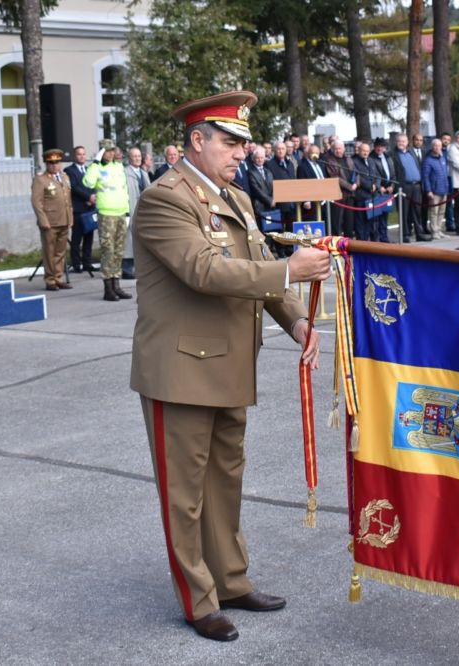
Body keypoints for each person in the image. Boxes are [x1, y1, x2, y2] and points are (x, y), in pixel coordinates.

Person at [130, 89, 330, 643]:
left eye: (244, 141)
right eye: (230, 141)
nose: (241, 151)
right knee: (185, 492)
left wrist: (295, 321)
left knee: (225, 482)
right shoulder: (165, 198)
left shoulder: (235, 198)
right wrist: (292, 272)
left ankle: (232, 580)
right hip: (181, 370)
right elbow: (204, 271)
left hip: (228, 365)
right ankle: (198, 600)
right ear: (197, 141)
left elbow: (257, 265)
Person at [83, 139, 131, 301]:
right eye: (107, 151)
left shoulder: (118, 167)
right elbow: (88, 183)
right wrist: (95, 163)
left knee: (118, 251)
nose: (111, 154)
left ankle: (116, 285)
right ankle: (108, 288)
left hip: (121, 212)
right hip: (106, 214)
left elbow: (123, 190)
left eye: (112, 151)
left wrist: (127, 212)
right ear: (101, 152)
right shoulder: (95, 168)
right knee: (108, 251)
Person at [30, 149, 73, 291]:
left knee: (60, 252)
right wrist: (43, 221)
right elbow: (37, 202)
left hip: (64, 220)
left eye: (57, 162)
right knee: (49, 251)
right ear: (47, 163)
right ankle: (50, 280)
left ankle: (58, 277)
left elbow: (68, 200)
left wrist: (70, 218)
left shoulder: (65, 177)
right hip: (50, 222)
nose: (54, 165)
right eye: (51, 163)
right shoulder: (40, 179)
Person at [65, 145, 98, 273]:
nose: (82, 156)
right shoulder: (69, 171)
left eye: (84, 154)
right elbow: (74, 187)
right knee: (76, 239)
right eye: (79, 154)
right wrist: (88, 196)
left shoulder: (89, 169)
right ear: (75, 156)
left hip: (89, 208)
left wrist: (93, 197)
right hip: (78, 209)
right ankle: (76, 263)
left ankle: (87, 263)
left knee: (89, 238)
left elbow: (93, 183)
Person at [123, 147, 151, 280]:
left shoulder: (144, 173)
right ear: (129, 158)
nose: (137, 158)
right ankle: (127, 269)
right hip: (130, 210)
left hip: (143, 212)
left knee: (141, 239)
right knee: (128, 241)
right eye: (134, 156)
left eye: (139, 156)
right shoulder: (125, 173)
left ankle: (140, 267)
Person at [322, 140, 356, 237]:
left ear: (344, 149)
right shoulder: (329, 160)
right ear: (332, 150)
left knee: (349, 222)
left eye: (340, 148)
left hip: (350, 195)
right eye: (335, 149)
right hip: (338, 196)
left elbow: (355, 172)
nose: (338, 150)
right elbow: (335, 177)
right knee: (337, 222)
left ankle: (349, 244)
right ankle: (337, 245)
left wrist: (356, 184)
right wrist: (350, 187)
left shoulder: (349, 159)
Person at [421, 138, 449, 240]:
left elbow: (445, 173)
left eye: (439, 145)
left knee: (442, 212)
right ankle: (434, 232)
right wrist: (428, 190)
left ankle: (439, 230)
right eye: (435, 145)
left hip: (443, 190)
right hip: (434, 191)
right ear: (432, 147)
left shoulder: (442, 158)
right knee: (434, 212)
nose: (437, 147)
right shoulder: (428, 160)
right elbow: (425, 177)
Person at [351, 141, 379, 241]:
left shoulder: (371, 161)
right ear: (359, 150)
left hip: (372, 196)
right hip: (361, 196)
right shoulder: (354, 161)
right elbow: (358, 177)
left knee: (372, 221)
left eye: (367, 151)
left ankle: (373, 243)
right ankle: (362, 243)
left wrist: (376, 185)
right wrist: (369, 186)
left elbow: (377, 175)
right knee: (361, 222)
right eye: (363, 151)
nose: (365, 153)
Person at [371, 137, 396, 243]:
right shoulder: (371, 158)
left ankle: (384, 237)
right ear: (375, 146)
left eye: (382, 146)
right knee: (376, 216)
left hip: (388, 190)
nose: (380, 148)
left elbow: (393, 174)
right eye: (378, 146)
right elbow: (373, 174)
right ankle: (376, 238)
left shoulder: (388, 157)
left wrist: (392, 186)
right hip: (377, 191)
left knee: (385, 215)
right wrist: (378, 186)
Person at [296, 144, 326, 223]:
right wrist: (306, 200)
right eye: (313, 152)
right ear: (308, 153)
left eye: (317, 153)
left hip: (323, 200)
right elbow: (302, 184)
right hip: (311, 202)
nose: (315, 155)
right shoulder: (302, 167)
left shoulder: (320, 164)